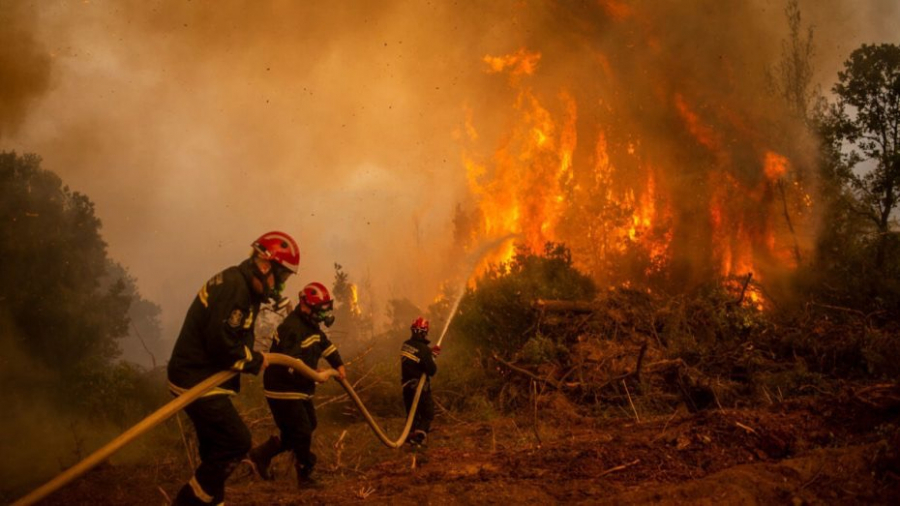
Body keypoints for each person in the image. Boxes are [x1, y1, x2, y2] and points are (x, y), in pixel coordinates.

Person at [167, 231, 299, 505]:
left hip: (202, 375)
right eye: (281, 277)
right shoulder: (236, 290)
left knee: (215, 450)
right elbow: (223, 345)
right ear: (264, 266)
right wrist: (254, 361)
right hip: (197, 379)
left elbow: (232, 336)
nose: (280, 287)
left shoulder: (241, 285)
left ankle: (212, 501)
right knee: (235, 442)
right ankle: (188, 502)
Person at [247, 281, 346, 488]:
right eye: (321, 311)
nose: (323, 316)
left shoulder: (311, 326)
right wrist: (314, 375)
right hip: (282, 388)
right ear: (306, 306)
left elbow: (325, 345)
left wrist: (338, 364)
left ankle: (262, 454)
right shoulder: (291, 328)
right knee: (301, 431)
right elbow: (290, 364)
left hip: (299, 387)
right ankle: (305, 474)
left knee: (309, 425)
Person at [400, 317, 440, 446]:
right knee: (427, 413)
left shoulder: (405, 345)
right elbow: (431, 370)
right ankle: (418, 437)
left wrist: (430, 354)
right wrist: (431, 356)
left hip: (406, 386)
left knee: (412, 415)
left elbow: (416, 359)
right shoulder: (424, 350)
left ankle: (409, 438)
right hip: (420, 387)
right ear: (424, 332)